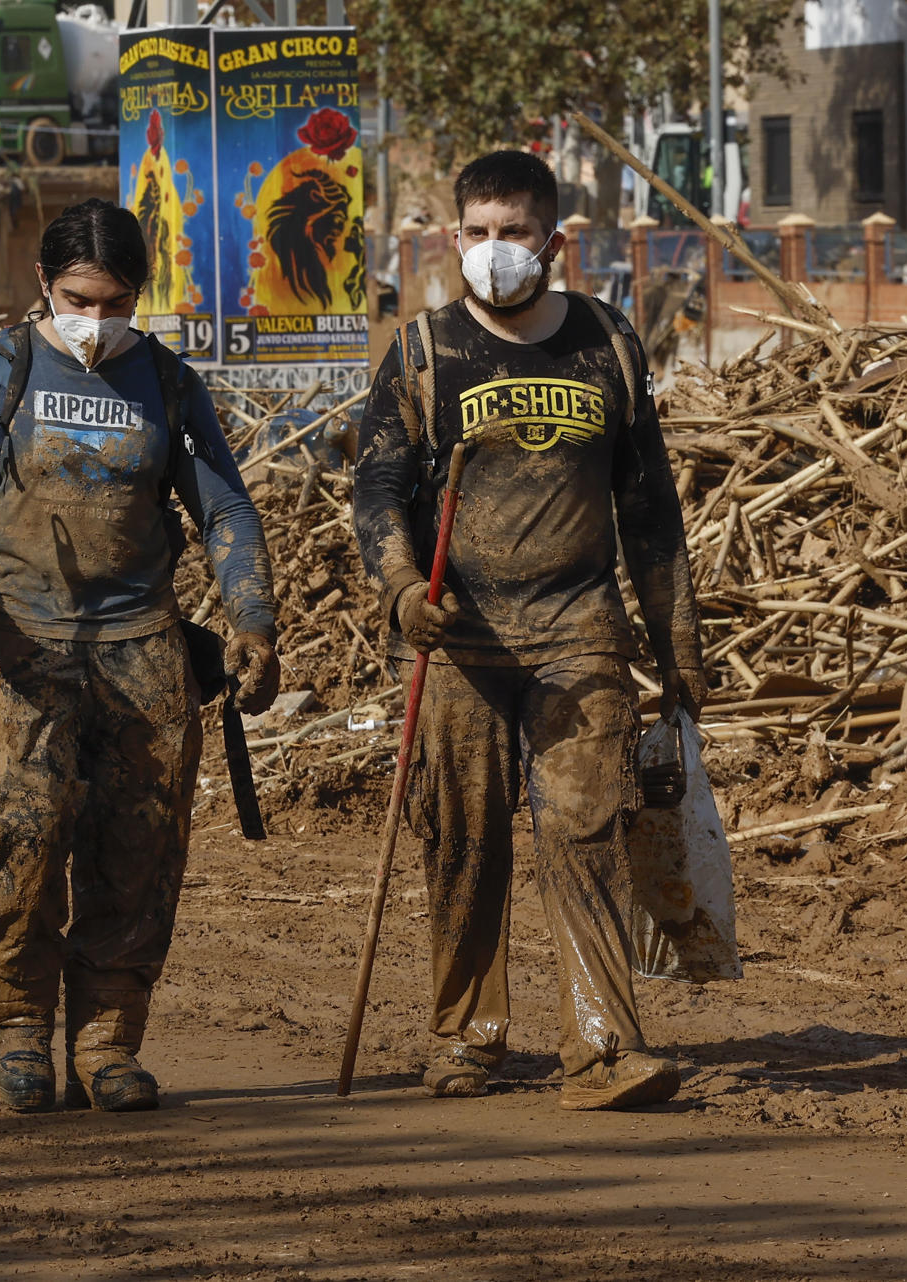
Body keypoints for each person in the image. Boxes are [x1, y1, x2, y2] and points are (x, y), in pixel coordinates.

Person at [0, 199, 280, 1114]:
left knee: (139, 854)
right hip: (18, 649)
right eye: (79, 298)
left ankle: (109, 1043)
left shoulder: (171, 385)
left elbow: (225, 510)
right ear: (43, 284)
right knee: (21, 842)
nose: (97, 321)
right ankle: (21, 1029)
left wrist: (253, 618)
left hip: (142, 650)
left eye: (117, 303)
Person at [351, 150, 707, 1111]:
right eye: (478, 234)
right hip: (457, 638)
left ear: (553, 241)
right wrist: (399, 593)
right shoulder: (425, 351)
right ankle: (466, 1034)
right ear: (452, 239)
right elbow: (378, 488)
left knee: (584, 834)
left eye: (514, 234)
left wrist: (679, 646)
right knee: (463, 842)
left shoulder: (607, 343)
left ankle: (602, 1048)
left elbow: (650, 510)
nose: (494, 252)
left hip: (580, 631)